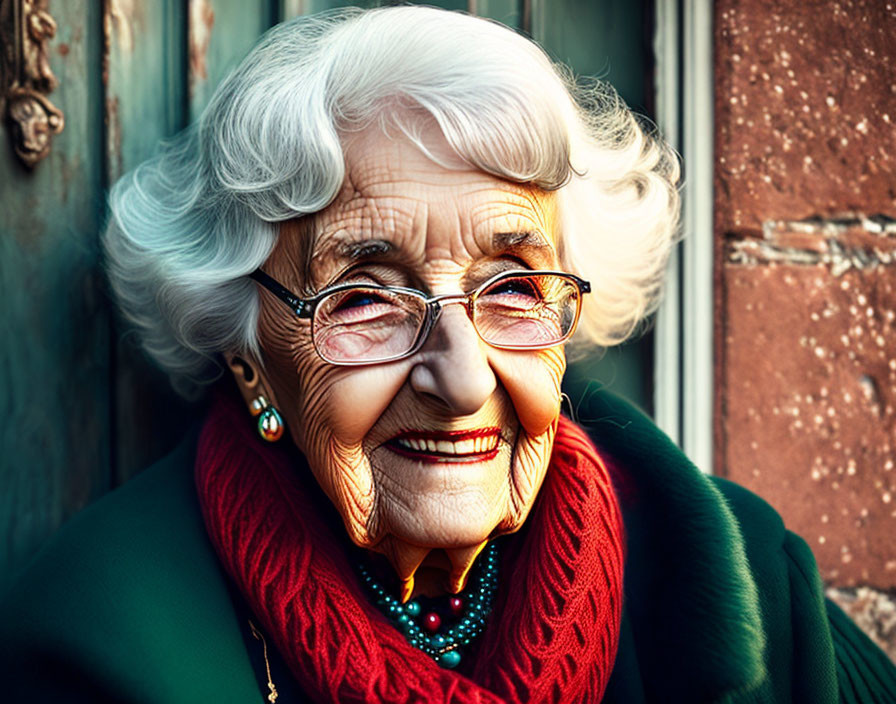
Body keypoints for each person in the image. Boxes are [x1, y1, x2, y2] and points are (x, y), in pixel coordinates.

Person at [1, 6, 894, 703]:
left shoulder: (748, 581)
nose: (463, 380)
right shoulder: (94, 649)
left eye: (512, 289)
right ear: (246, 355)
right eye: (364, 302)